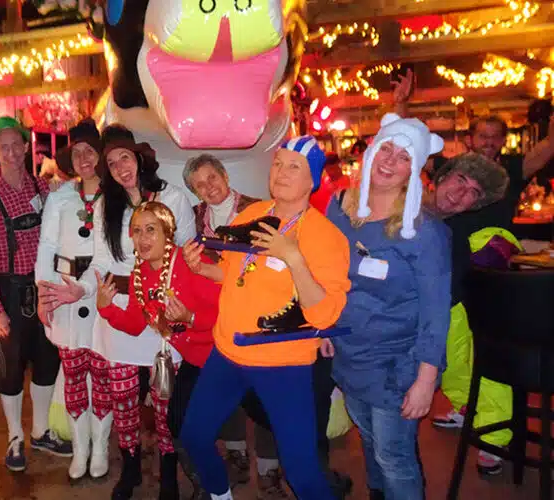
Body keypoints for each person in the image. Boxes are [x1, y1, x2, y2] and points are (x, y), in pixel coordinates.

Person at [181, 135, 351, 500]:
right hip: (227, 353)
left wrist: (293, 257)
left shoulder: (327, 237)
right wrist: (202, 268)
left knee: (302, 472)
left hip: (282, 364)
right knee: (194, 436)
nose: (282, 172)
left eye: (294, 167)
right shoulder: (252, 215)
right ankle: (220, 495)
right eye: (278, 164)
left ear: (312, 180)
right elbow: (233, 273)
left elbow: (324, 314)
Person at [39, 128, 196, 499]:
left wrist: (181, 305)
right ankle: (130, 469)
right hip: (119, 313)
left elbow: (189, 256)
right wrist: (83, 289)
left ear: (139, 158)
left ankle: (169, 473)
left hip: (162, 313)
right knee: (122, 401)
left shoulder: (173, 197)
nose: (120, 167)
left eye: (125, 157)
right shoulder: (106, 206)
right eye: (111, 163)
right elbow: (101, 261)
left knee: (164, 401)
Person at [323, 113, 450, 500]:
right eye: (386, 148)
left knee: (394, 457)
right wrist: (325, 326)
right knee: (370, 443)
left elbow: (436, 312)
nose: (390, 161)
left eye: (404, 157)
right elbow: (327, 274)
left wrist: (425, 381)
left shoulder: (425, 231)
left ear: (415, 171)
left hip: (398, 365)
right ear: (372, 150)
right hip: (350, 354)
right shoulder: (340, 209)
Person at [0, 116, 71, 472]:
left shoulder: (45, 189)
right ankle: (15, 436)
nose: (11, 152)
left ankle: (40, 431)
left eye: (17, 145)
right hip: (8, 293)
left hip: (45, 288)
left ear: (27, 148)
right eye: (4, 147)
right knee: (11, 369)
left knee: (47, 361)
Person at [96, 201, 219, 500]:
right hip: (191, 360)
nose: (143, 238)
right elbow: (135, 323)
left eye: (151, 229)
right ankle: (160, 474)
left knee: (185, 423)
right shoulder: (141, 272)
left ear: (168, 232)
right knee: (172, 418)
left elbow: (225, 312)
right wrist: (106, 308)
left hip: (218, 358)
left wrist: (190, 318)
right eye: (137, 231)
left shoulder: (189, 263)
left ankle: (208, 484)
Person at [422, 153, 514, 475]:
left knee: (484, 366)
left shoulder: (476, 220)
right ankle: (466, 407)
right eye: (460, 180)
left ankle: (494, 435)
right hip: (415, 310)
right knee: (449, 369)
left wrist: (493, 251)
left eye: (473, 192)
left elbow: (502, 242)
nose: (461, 193)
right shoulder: (406, 206)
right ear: (442, 177)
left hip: (462, 306)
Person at [36, 120, 113, 481]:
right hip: (63, 295)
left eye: (90, 151)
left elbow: (112, 253)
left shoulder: (115, 197)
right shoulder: (61, 196)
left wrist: (84, 288)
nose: (84, 158)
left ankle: (101, 448)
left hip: (100, 294)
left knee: (102, 375)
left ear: (101, 155)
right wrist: (44, 294)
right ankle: (80, 449)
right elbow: (47, 246)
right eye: (77, 152)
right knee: (73, 375)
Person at [182, 154, 259, 492]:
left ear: (225, 175)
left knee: (261, 392)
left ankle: (269, 467)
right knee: (221, 383)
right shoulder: (195, 217)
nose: (208, 187)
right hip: (215, 312)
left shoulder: (257, 208)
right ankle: (235, 450)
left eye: (212, 178)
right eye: (199, 185)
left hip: (255, 311)